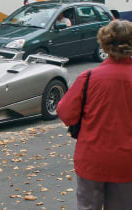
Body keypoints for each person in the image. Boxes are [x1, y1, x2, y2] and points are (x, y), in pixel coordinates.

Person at [56, 20, 132, 209]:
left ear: (105, 44)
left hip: (92, 160)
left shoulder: (89, 78)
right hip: (127, 163)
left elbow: (65, 113)